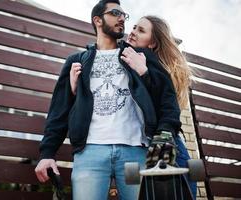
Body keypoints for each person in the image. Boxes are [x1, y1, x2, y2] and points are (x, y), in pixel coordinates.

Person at [35, 0, 181, 199]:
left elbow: (167, 99)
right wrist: (47, 154)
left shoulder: (139, 55)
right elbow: (59, 110)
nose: (122, 18)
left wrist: (164, 135)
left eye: (124, 15)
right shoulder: (77, 61)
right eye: (115, 13)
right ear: (98, 20)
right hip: (89, 152)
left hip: (135, 151)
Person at [70, 15, 197, 198]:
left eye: (141, 30)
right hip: (151, 142)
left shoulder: (148, 62)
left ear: (152, 42)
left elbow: (167, 105)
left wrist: (144, 72)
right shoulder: (128, 57)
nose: (133, 32)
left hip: (168, 141)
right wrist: (77, 89)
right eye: (135, 27)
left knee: (179, 192)